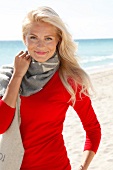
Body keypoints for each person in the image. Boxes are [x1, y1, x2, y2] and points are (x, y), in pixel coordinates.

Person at [0, 6, 101, 170]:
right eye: (33, 37)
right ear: (24, 39)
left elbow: (93, 129)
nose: (40, 45)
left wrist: (83, 167)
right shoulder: (8, 76)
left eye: (48, 38)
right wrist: (18, 76)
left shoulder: (68, 80)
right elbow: (1, 125)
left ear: (58, 41)